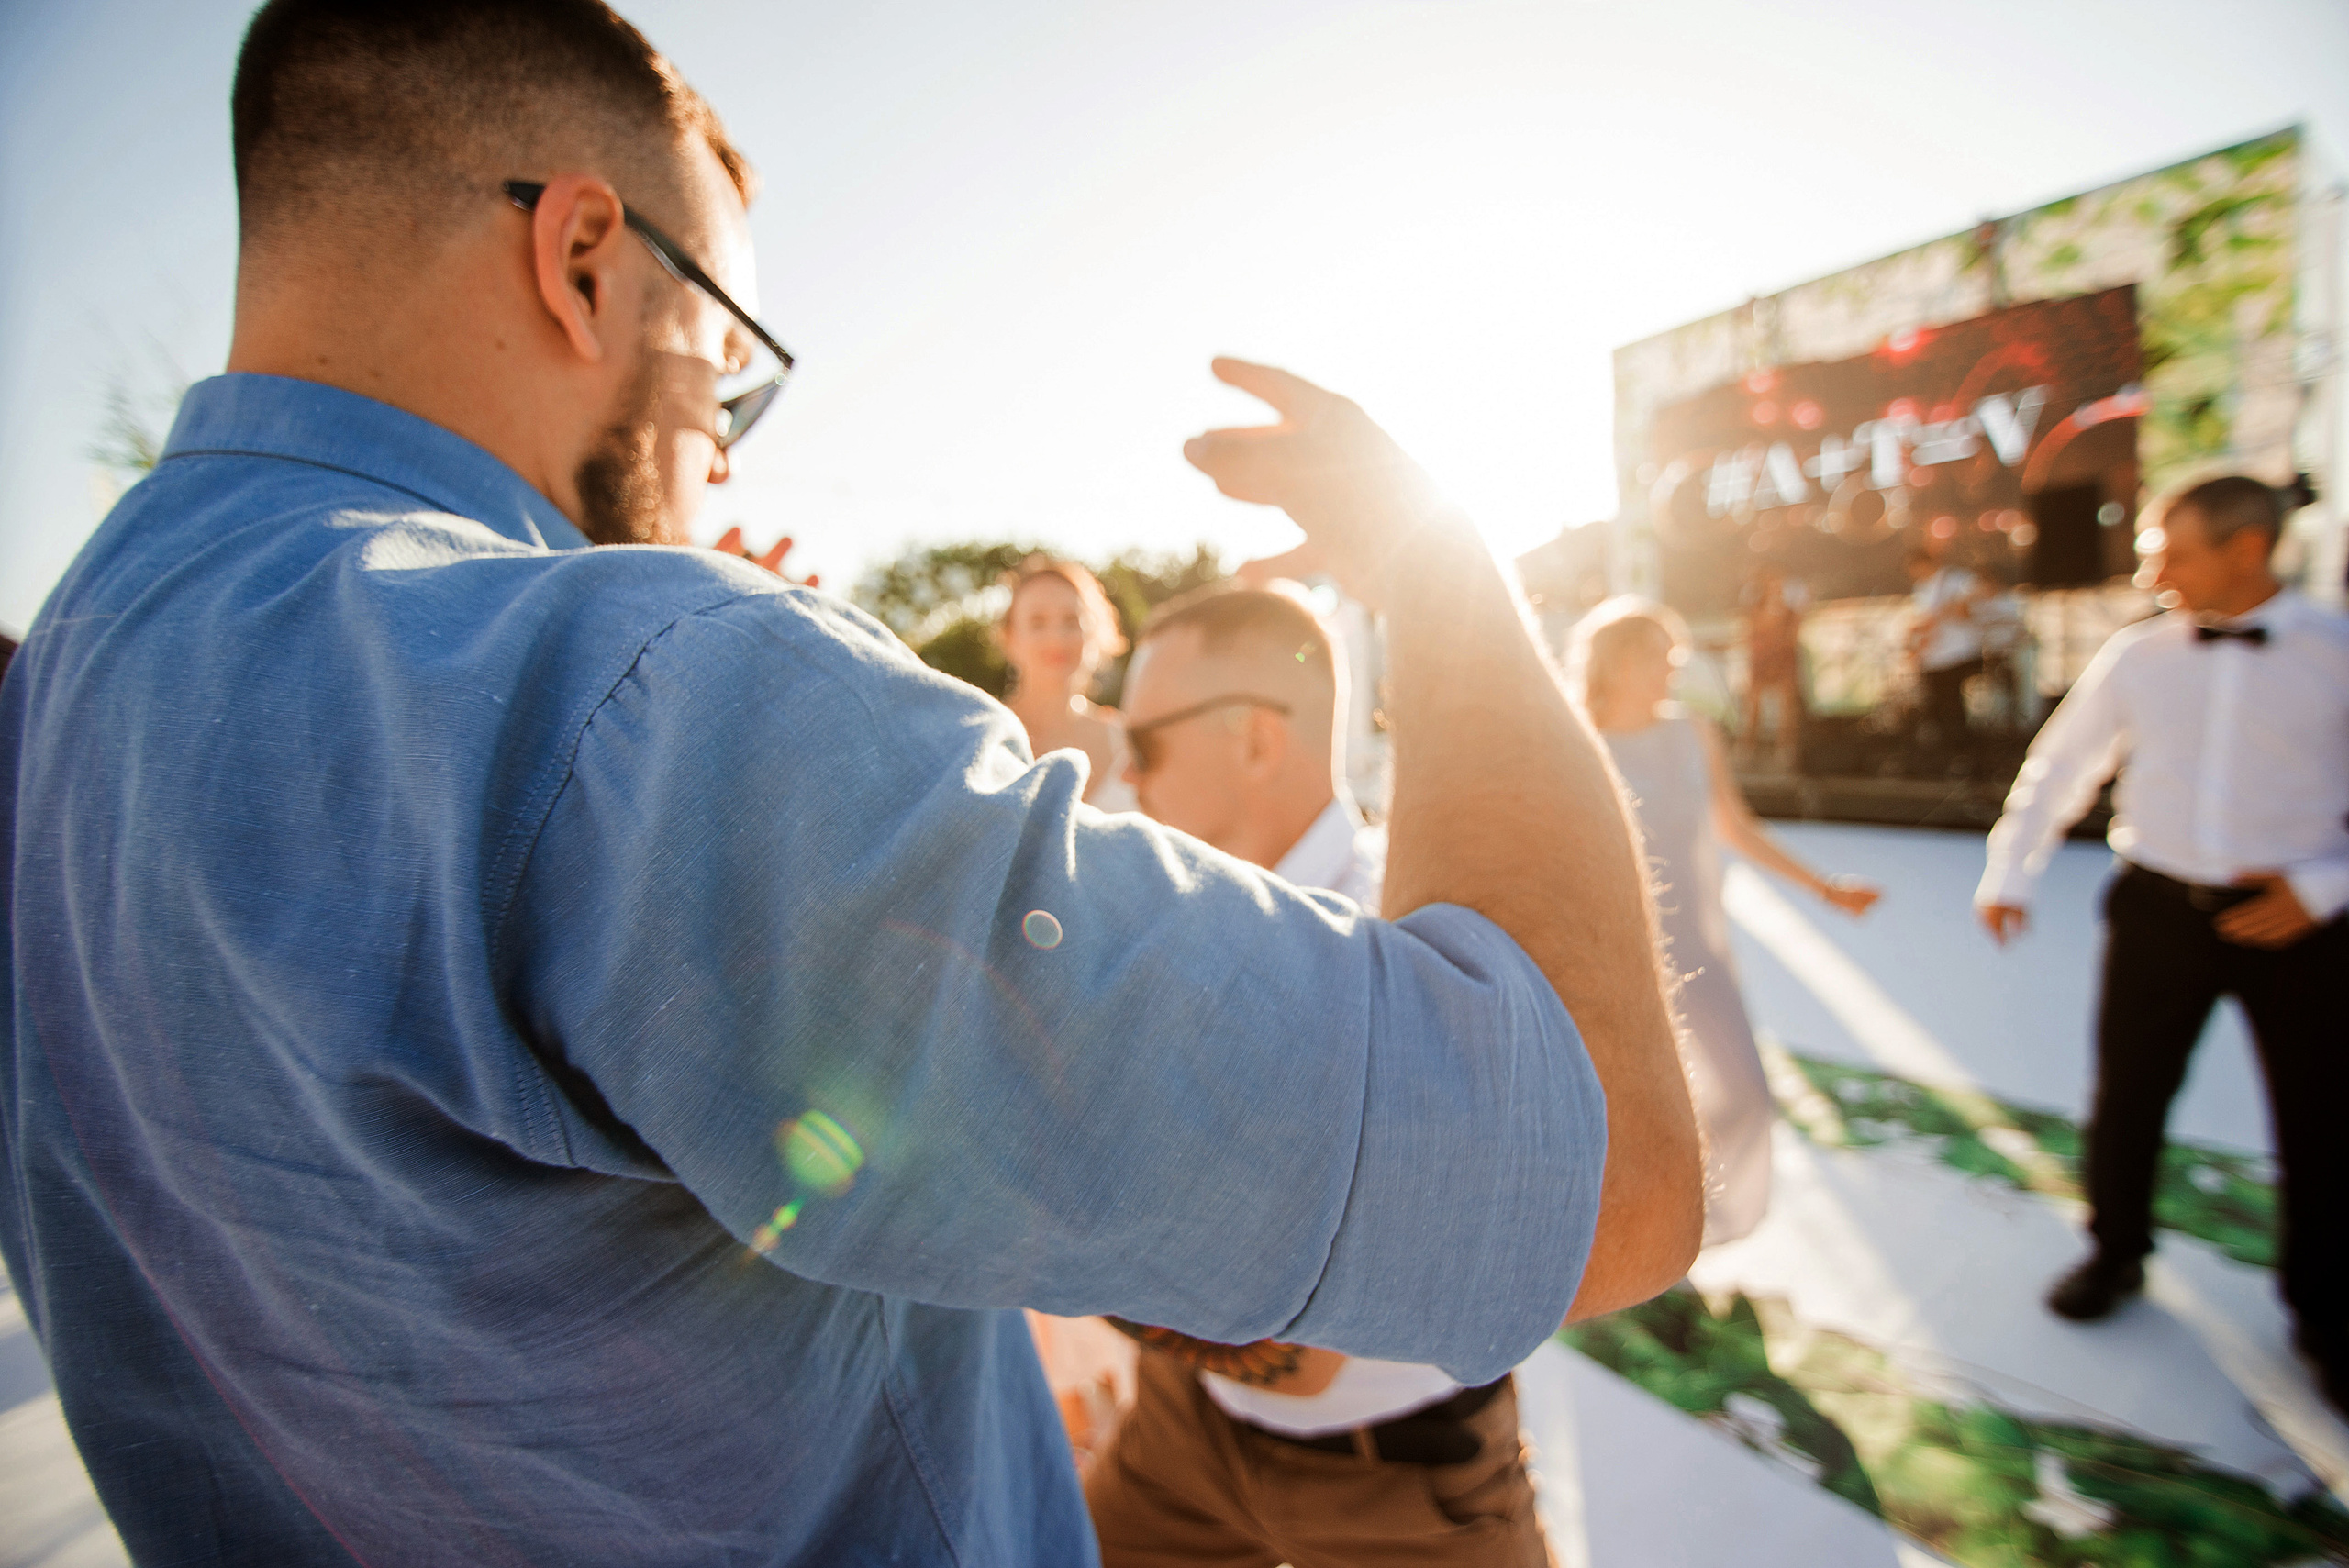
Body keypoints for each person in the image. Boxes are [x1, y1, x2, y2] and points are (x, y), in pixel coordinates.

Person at [0, 2, 1702, 1561]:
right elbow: (1601, 1168)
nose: (721, 454)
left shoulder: (68, 683)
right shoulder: (638, 690)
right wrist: (1438, 562)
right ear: (582, 258)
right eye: (725, 360)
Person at [1084, 584, 1552, 1566]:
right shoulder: (1186, 906)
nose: (1123, 771)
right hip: (1182, 1427)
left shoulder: (1395, 949)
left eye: (1146, 741)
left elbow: (1296, 1355)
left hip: (1392, 1482)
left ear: (1257, 739)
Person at [1976, 476, 2349, 1411]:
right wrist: (2010, 871)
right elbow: (2060, 764)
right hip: (2156, 908)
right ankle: (2114, 1251)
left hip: (2297, 923)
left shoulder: (2335, 651)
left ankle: (2325, 1312)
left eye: (2171, 554)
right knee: (2127, 1092)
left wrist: (2321, 889)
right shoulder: (2136, 654)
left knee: (2321, 1120)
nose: (2151, 575)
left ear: (2247, 548)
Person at [1573, 597, 1881, 1244]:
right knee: (1626, 1117)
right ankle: (1626, 1241)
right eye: (1662, 657)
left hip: (1700, 952)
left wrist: (1825, 888)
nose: (1673, 670)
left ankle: (1693, 1231)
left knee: (1743, 1095)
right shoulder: (1581, 747)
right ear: (1622, 663)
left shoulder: (1694, 732)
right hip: (1620, 963)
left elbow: (1736, 827)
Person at [998, 554, 1137, 811]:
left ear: (1095, 633)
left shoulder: (1128, 743)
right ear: (1011, 638)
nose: (1056, 637)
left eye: (1071, 621)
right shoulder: (987, 735)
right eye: (1037, 623)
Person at [1905, 529, 1995, 771]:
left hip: (1959, 655)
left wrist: (1947, 611)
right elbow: (1921, 623)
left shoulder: (1956, 579)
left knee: (1955, 708)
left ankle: (1968, 756)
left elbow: (1975, 603)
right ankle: (1948, 756)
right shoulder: (1921, 589)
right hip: (1934, 658)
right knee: (1937, 708)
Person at [1741, 562, 1808, 772]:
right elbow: (1751, 630)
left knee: (1787, 705)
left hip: (1783, 658)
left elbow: (1792, 635)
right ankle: (1748, 749)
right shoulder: (1756, 604)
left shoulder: (1791, 607)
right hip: (1761, 658)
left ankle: (1784, 751)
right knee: (1754, 704)